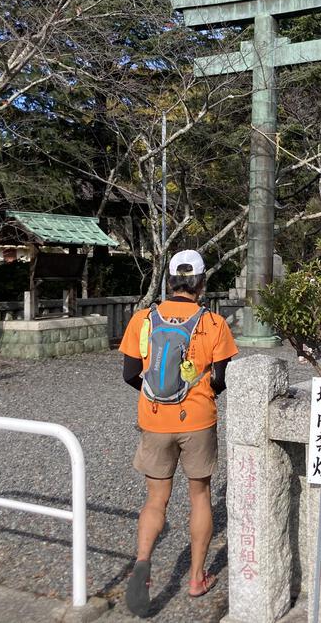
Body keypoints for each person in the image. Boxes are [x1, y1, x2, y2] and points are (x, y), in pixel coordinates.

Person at [119, 249, 238, 617]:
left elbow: (128, 374)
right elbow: (220, 379)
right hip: (197, 419)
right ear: (201, 283)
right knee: (200, 495)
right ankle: (197, 577)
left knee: (156, 500)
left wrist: (155, 395)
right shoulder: (214, 323)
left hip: (155, 418)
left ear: (170, 281)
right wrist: (199, 392)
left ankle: (142, 561)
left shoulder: (143, 319)